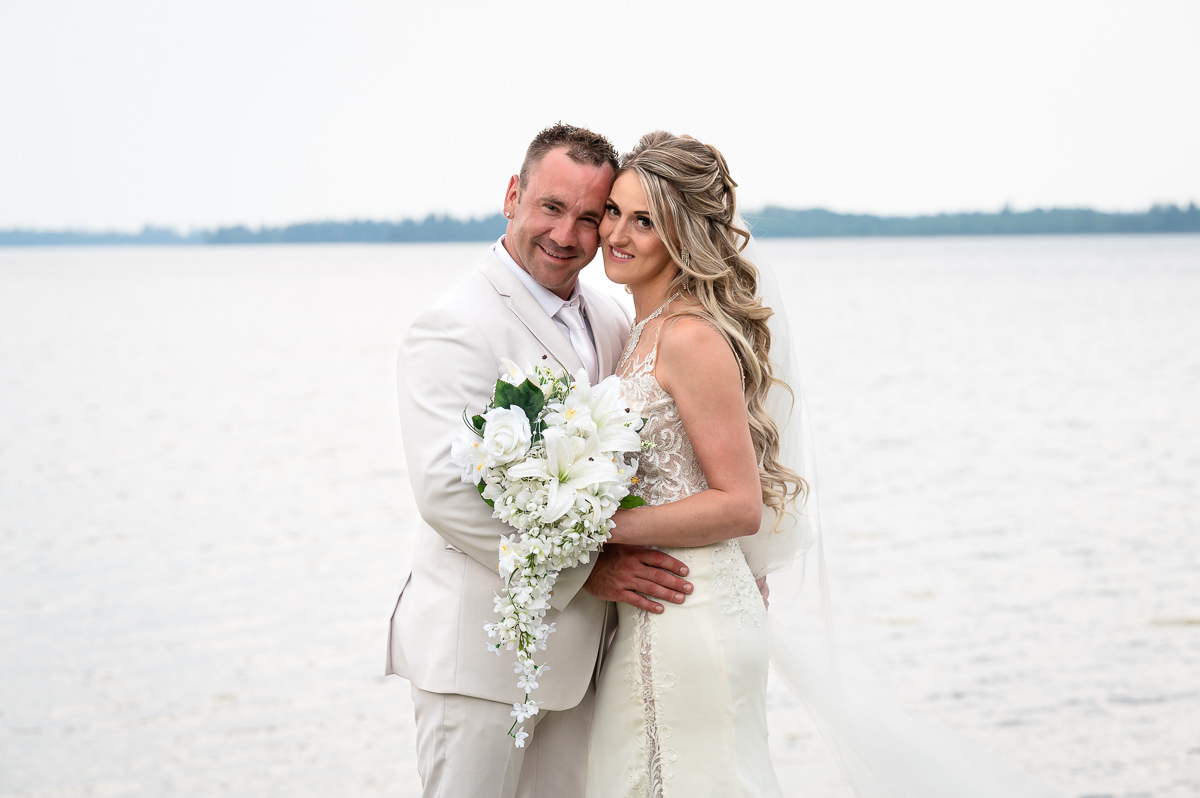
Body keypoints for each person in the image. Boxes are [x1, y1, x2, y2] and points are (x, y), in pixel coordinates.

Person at [385, 123, 696, 798]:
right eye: (552, 207)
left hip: (583, 664)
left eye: (590, 217)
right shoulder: (454, 323)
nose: (566, 235)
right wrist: (590, 572)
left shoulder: (615, 320)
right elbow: (446, 494)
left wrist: (724, 560)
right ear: (513, 195)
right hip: (478, 659)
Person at [580, 131, 805, 796]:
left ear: (682, 236)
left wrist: (596, 530)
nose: (617, 233)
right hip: (660, 608)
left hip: (691, 611)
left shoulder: (690, 337)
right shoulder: (641, 333)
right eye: (614, 211)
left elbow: (739, 504)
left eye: (644, 221)